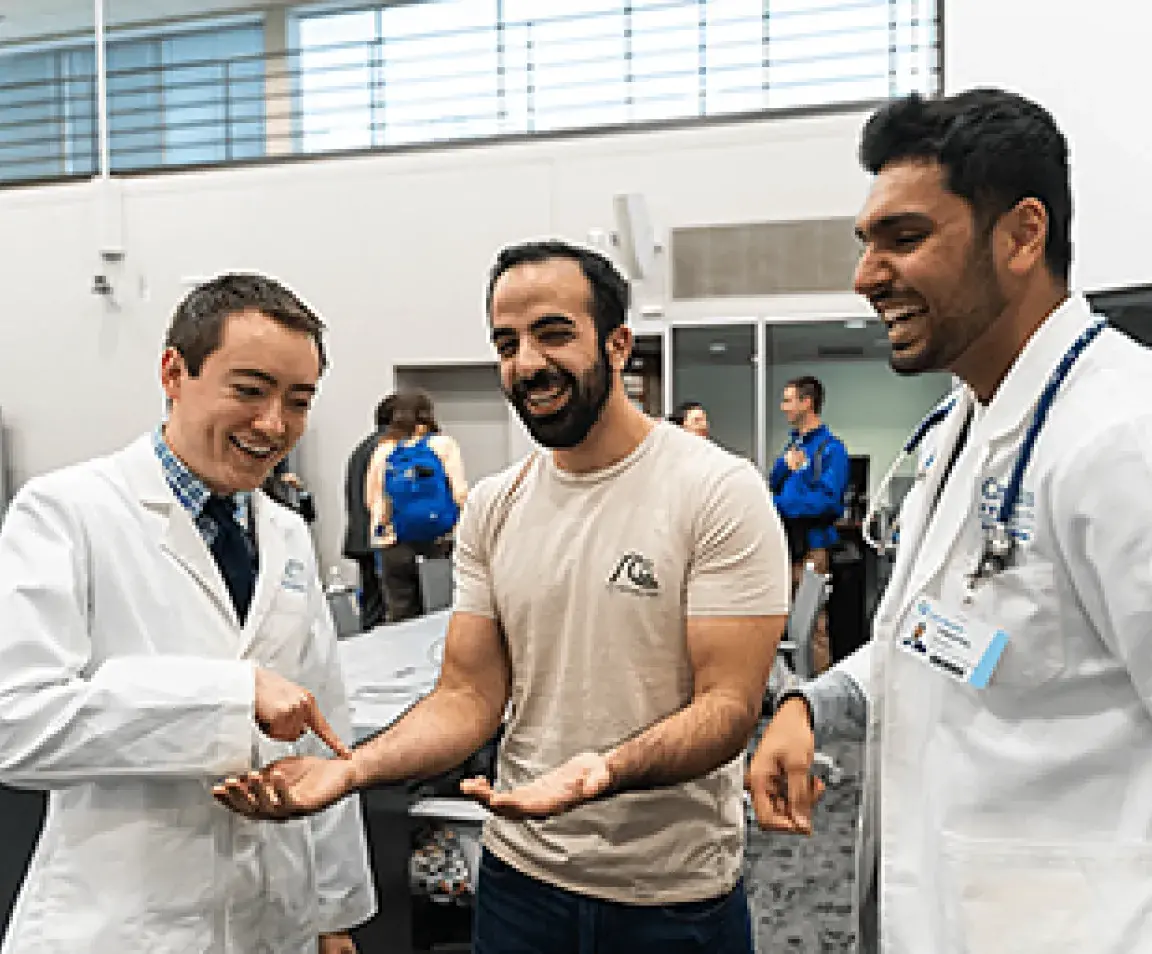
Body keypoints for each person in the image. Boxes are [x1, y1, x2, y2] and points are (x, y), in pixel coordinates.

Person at [748, 87, 1152, 954]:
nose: (866, 275)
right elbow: (946, 635)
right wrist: (818, 702)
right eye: (867, 243)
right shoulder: (971, 420)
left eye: (904, 238)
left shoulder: (1137, 440)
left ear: (1023, 234)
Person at [212, 239, 790, 954]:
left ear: (617, 345)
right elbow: (467, 695)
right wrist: (351, 769)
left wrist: (602, 771)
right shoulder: (494, 505)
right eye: (506, 342)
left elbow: (728, 709)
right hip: (521, 879)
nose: (526, 364)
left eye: (553, 334)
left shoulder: (717, 492)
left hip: (669, 897)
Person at [0, 273, 376, 954]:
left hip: (275, 918)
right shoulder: (65, 514)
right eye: (249, 390)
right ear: (174, 372)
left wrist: (335, 913)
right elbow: (16, 722)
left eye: (298, 401)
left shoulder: (285, 533)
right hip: (124, 925)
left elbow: (327, 730)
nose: (273, 425)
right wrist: (229, 700)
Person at [365, 388, 468, 623]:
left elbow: (372, 500)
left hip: (394, 542)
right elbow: (460, 492)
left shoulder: (384, 449)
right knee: (442, 613)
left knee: (402, 614)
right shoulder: (443, 444)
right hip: (440, 540)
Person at [769, 375, 849, 673]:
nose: (783, 407)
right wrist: (782, 467)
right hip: (785, 547)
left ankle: (817, 693)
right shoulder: (793, 446)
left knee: (814, 626)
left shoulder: (831, 449)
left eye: (788, 400)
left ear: (807, 402)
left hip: (812, 549)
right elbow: (774, 483)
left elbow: (829, 502)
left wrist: (778, 506)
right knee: (778, 622)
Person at [342, 394, 396, 630]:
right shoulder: (389, 449)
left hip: (360, 535)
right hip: (383, 539)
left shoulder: (362, 447)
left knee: (371, 607)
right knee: (391, 609)